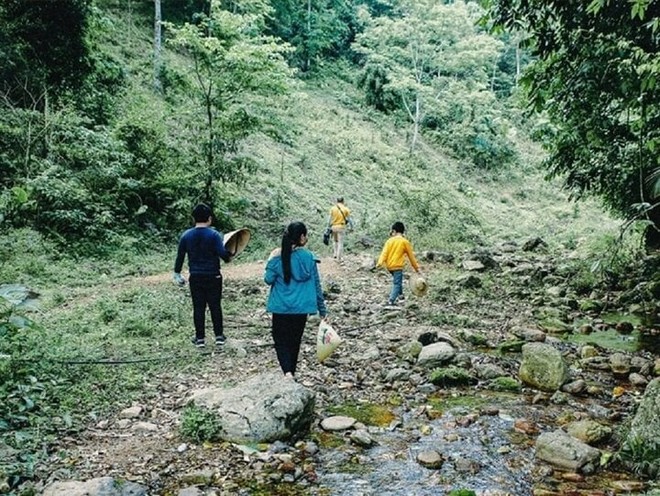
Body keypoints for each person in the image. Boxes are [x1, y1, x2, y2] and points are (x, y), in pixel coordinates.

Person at [264, 221, 328, 379]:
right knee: (295, 341)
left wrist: (271, 260)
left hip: (281, 307)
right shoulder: (309, 257)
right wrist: (322, 309)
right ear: (301, 237)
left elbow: (268, 279)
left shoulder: (278, 257)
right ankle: (291, 372)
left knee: (280, 340)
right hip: (301, 308)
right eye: (306, 235)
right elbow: (317, 285)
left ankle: (287, 372)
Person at [173, 203, 233, 348]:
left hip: (196, 276)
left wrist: (177, 273)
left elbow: (180, 256)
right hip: (213, 276)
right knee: (215, 306)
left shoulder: (186, 236)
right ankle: (219, 336)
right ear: (209, 219)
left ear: (193, 218)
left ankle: (200, 339)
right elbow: (223, 255)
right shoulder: (214, 235)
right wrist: (230, 254)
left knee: (198, 307)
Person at [376, 221, 421, 306]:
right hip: (398, 267)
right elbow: (411, 257)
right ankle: (391, 300)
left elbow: (384, 253)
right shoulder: (405, 242)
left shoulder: (389, 241)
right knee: (397, 283)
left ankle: (400, 296)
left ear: (394, 231)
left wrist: (379, 263)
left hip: (389, 267)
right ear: (403, 231)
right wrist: (417, 269)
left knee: (398, 281)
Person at [326, 196, 354, 262]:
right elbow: (349, 220)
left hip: (333, 227)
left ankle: (335, 254)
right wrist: (351, 227)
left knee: (335, 241)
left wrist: (328, 227)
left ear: (337, 201)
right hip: (341, 227)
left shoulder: (333, 208)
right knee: (340, 243)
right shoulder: (346, 209)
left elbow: (329, 219)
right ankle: (339, 258)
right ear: (343, 201)